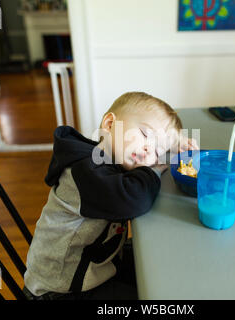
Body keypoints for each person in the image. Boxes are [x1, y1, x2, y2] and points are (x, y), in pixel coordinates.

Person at [23, 92, 198, 300]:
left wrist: (175, 143)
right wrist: (153, 171)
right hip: (61, 289)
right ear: (109, 123)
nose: (147, 149)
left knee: (161, 265)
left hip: (96, 264)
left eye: (157, 149)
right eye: (145, 134)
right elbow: (134, 198)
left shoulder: (107, 158)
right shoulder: (84, 172)